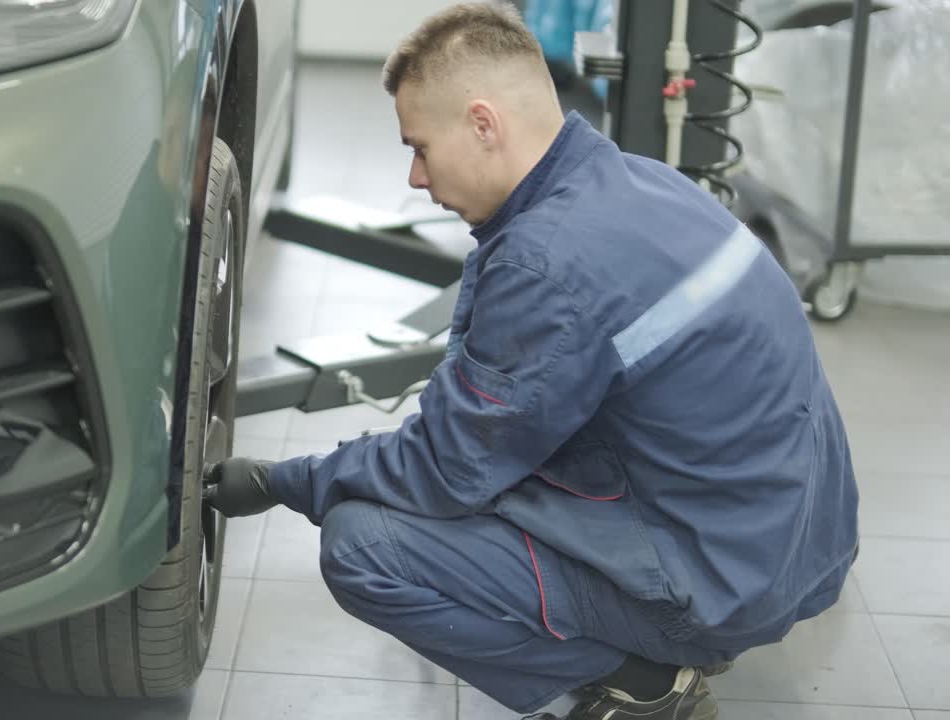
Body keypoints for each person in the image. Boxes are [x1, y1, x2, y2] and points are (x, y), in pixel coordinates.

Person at [204, 3, 859, 718]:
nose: (416, 177)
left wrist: (282, 481)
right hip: (790, 546)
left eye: (420, 147)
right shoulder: (642, 182)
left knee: (363, 544)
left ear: (484, 124)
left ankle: (643, 677)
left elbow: (443, 471)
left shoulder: (548, 263)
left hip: (716, 580)